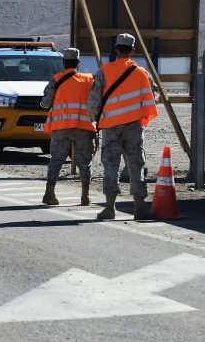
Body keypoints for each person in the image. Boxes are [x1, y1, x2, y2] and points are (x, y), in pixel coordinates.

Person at [88, 33, 159, 220]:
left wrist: (94, 119)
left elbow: (94, 100)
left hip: (111, 127)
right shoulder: (142, 73)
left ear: (117, 49)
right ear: (132, 51)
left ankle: (109, 208)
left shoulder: (105, 71)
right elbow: (153, 97)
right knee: (136, 165)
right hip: (134, 127)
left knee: (111, 165)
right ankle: (140, 207)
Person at [40, 47, 96, 206]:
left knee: (56, 160)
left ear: (63, 63)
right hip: (84, 128)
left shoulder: (56, 79)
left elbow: (45, 103)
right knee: (85, 162)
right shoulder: (89, 79)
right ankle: (85, 196)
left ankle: (49, 194)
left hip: (61, 128)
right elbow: (96, 101)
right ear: (78, 63)